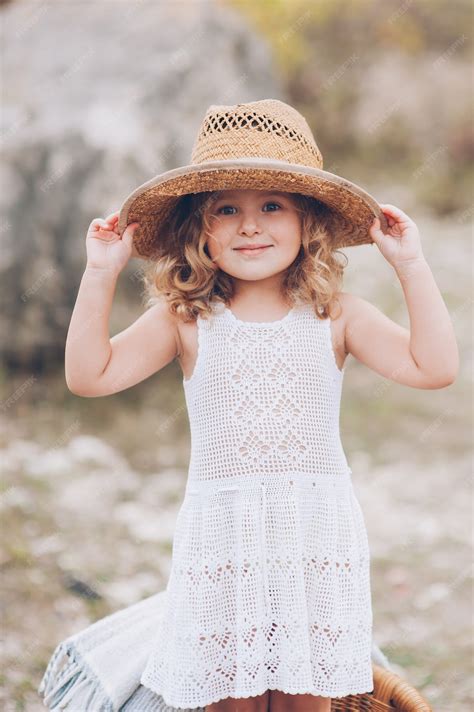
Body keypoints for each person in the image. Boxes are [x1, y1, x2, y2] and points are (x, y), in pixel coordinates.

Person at [38, 99, 458, 712]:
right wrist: (99, 274)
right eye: (226, 209)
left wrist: (412, 266)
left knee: (305, 698)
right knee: (227, 696)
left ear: (307, 220)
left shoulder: (334, 316)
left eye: (271, 206)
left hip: (314, 537)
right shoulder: (187, 319)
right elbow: (89, 375)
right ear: (198, 230)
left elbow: (436, 367)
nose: (249, 225)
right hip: (224, 543)